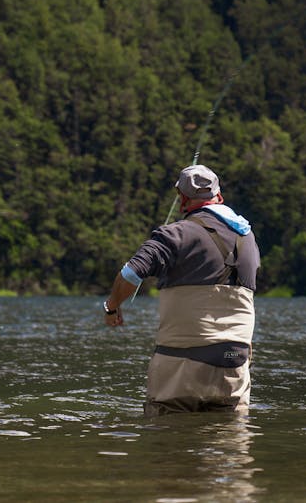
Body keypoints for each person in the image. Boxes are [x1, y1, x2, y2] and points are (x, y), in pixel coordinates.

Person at [103, 164, 260, 416]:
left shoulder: (175, 234)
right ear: (218, 196)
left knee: (168, 441)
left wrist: (112, 307)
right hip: (235, 361)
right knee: (228, 443)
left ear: (182, 199)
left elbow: (130, 274)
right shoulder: (248, 239)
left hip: (181, 363)